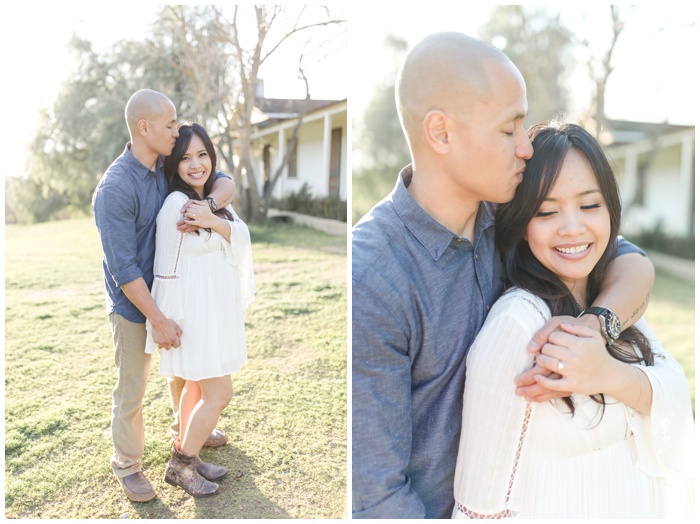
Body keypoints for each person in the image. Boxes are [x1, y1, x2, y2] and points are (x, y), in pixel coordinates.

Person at [351, 32, 655, 519]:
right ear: (441, 133)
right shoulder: (371, 277)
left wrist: (595, 329)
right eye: (509, 128)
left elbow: (631, 262)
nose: (526, 149)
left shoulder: (513, 215)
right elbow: (375, 496)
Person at [452, 121, 695, 519]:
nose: (572, 228)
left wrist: (604, 371)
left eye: (589, 205)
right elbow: (479, 505)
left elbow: (671, 392)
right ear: (521, 223)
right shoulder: (517, 325)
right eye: (546, 210)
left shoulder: (611, 303)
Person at [92, 89, 236, 502]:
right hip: (134, 304)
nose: (176, 130)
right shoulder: (115, 188)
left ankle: (185, 437)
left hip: (175, 293)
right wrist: (156, 317)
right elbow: (123, 269)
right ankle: (128, 466)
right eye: (170, 123)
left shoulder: (163, 166)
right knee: (133, 388)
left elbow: (222, 179)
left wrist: (207, 206)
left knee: (184, 372)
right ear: (144, 127)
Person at [144, 123, 255, 497]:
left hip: (215, 312)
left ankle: (189, 455)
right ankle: (181, 465)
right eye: (186, 157)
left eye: (202, 155)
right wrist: (165, 322)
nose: (196, 164)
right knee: (220, 393)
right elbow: (167, 268)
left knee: (198, 387)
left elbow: (241, 238)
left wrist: (212, 220)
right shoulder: (175, 205)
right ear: (174, 164)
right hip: (191, 315)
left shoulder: (211, 199)